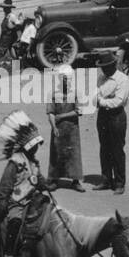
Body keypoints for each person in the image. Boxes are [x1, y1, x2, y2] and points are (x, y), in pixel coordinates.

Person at [0, 110, 51, 257]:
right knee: (16, 222)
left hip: (31, 199)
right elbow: (5, 184)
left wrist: (45, 184)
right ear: (28, 146)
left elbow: (37, 178)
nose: (37, 148)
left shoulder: (33, 162)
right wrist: (3, 203)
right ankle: (8, 255)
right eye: (35, 145)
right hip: (16, 201)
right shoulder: (15, 161)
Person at [88, 51, 129, 194]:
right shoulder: (101, 78)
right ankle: (106, 179)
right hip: (103, 116)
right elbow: (94, 95)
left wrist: (101, 100)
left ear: (113, 65)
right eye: (102, 67)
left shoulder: (123, 80)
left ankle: (119, 183)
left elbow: (118, 101)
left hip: (116, 117)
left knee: (117, 149)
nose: (104, 70)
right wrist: (101, 100)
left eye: (106, 66)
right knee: (104, 148)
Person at [45, 62, 85, 192]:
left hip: (72, 128)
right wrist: (54, 127)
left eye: (68, 80)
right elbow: (50, 112)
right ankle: (54, 180)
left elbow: (79, 111)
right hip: (58, 128)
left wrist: (62, 116)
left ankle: (75, 181)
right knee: (57, 153)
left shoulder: (76, 92)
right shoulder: (53, 93)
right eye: (64, 80)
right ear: (60, 79)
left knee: (73, 153)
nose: (66, 82)